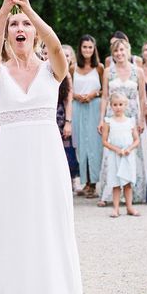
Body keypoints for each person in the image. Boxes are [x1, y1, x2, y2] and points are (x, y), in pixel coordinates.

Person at [0, 0, 98, 294]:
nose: (20, 30)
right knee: (9, 239)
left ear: (34, 33)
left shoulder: (54, 70)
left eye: (25, 26)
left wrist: (28, 9)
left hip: (48, 166)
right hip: (10, 167)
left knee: (50, 236)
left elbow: (54, 38)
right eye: (14, 26)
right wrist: (5, 10)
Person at [97, 38, 147, 205]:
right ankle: (108, 194)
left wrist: (141, 120)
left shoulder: (138, 71)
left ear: (128, 50)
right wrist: (101, 119)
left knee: (131, 151)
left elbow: (142, 97)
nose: (119, 54)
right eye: (116, 51)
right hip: (113, 116)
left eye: (122, 50)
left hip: (132, 115)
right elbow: (104, 97)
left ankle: (134, 194)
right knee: (111, 153)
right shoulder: (108, 71)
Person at [71, 35, 104, 198]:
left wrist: (94, 93)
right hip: (77, 107)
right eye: (84, 47)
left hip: (94, 107)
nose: (87, 50)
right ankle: (85, 180)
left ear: (94, 49)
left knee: (94, 145)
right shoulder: (72, 68)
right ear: (80, 48)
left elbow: (106, 90)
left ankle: (93, 183)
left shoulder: (99, 68)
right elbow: (67, 89)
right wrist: (76, 96)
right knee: (81, 144)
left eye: (90, 47)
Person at [45, 44, 80, 192]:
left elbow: (68, 100)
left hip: (60, 116)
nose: (46, 56)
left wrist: (68, 122)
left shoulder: (65, 73)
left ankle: (73, 179)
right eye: (44, 53)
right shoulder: (40, 71)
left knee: (67, 151)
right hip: (45, 116)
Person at [102, 92, 141, 218]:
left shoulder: (130, 121)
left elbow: (136, 140)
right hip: (115, 155)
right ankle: (116, 208)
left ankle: (129, 207)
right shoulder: (108, 122)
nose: (118, 107)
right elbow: (104, 141)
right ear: (111, 106)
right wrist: (116, 149)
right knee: (116, 183)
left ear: (125, 105)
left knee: (127, 183)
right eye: (115, 105)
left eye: (120, 104)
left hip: (127, 156)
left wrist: (129, 148)